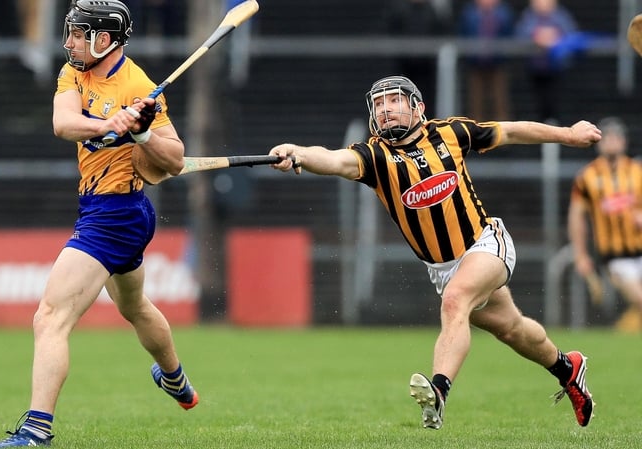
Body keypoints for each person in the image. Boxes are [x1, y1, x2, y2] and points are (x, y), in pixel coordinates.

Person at [268, 75, 599, 430]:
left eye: (393, 101)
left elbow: (512, 130)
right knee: (513, 330)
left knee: (455, 300)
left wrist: (567, 134)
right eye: (379, 105)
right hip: (443, 268)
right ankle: (568, 368)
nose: (385, 110)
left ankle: (438, 391)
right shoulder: (375, 157)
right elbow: (332, 160)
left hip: (486, 243)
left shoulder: (451, 133)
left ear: (417, 108)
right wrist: (297, 152)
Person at [0, 1, 198, 446]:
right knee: (134, 308)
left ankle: (35, 431)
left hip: (117, 214)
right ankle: (176, 380)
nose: (69, 42)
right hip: (100, 207)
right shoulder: (74, 72)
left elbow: (174, 160)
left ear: (104, 39)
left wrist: (142, 132)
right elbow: (63, 123)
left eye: (79, 34)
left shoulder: (140, 86)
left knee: (51, 316)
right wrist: (106, 124)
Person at [568, 116, 642, 333]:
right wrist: (580, 254)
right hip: (615, 257)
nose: (611, 142)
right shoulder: (587, 177)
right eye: (606, 138)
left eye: (616, 137)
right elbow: (576, 217)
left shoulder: (637, 172)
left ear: (624, 142)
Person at [514, 0, 578, 124]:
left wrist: (555, 38)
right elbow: (520, 35)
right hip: (534, 70)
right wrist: (536, 36)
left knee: (556, 107)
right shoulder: (528, 17)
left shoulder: (562, 17)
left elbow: (571, 36)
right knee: (538, 108)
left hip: (557, 70)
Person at [458, 0, 515, 121]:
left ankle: (503, 135)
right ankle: (475, 135)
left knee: (500, 101)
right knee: (475, 102)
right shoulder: (469, 14)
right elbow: (463, 35)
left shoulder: (504, 14)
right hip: (475, 63)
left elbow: (510, 35)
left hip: (498, 63)